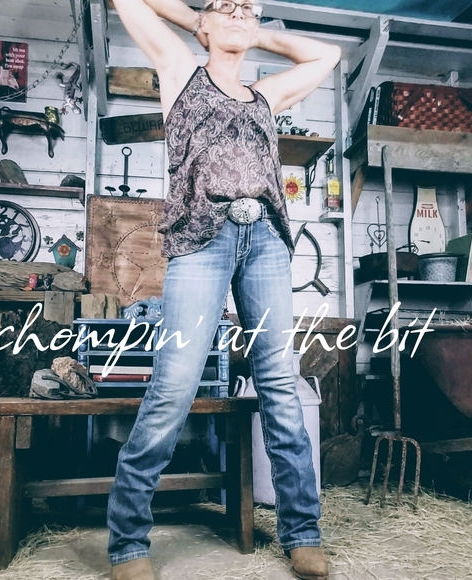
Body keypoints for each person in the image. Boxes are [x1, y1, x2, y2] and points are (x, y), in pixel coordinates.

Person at [107, 1, 342, 579]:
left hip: (265, 240)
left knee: (279, 383)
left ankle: (302, 533)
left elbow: (329, 54)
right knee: (175, 385)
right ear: (203, 25)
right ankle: (129, 544)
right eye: (226, 6)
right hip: (200, 241)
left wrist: (249, 29)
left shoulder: (266, 96)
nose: (239, 12)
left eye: (249, 8)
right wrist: (196, 18)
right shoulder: (179, 70)